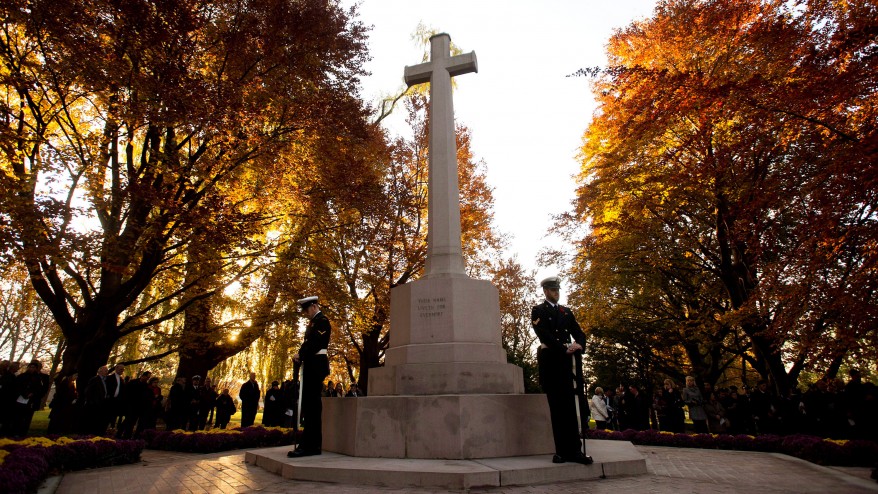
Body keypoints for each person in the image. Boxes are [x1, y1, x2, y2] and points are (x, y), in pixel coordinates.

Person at [530, 276, 592, 465]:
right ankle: (561, 451)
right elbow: (544, 335)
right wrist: (564, 348)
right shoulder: (538, 310)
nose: (556, 293)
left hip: (567, 362)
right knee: (557, 409)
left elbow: (579, 333)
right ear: (546, 291)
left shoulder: (566, 312)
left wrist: (578, 345)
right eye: (553, 290)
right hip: (551, 361)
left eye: (558, 290)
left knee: (571, 408)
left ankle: (575, 451)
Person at [288, 295, 331, 458]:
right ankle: (307, 443)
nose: (306, 313)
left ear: (314, 306)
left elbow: (316, 344)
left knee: (312, 407)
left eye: (307, 310)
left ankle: (312, 445)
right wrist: (299, 353)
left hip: (316, 366)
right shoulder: (313, 322)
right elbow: (307, 343)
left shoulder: (323, 321)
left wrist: (301, 355)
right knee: (308, 405)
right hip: (310, 365)